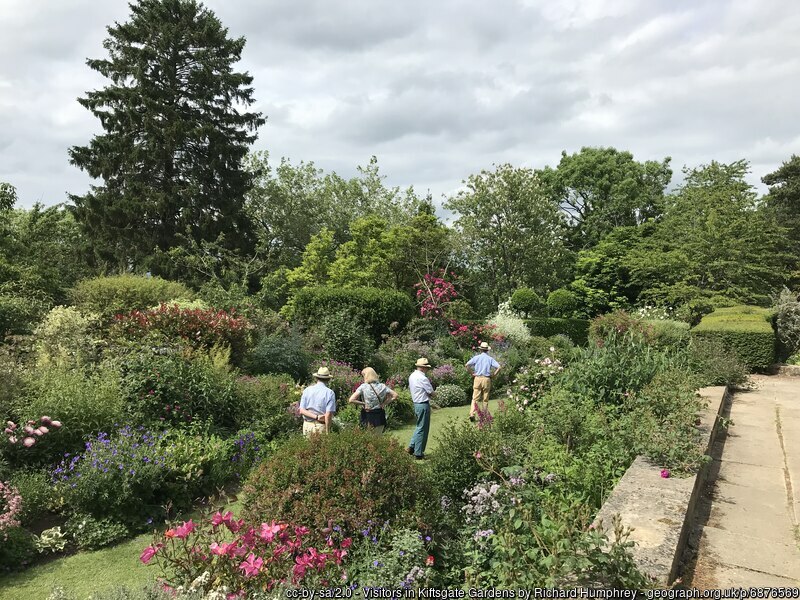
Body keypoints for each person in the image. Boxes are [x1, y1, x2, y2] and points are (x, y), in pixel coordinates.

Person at [348, 367, 398, 434]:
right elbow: (395, 395)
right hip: (380, 415)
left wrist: (364, 404)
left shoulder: (363, 387)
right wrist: (384, 403)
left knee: (368, 439)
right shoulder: (382, 386)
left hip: (367, 415)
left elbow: (351, 400)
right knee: (378, 438)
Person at [465, 341, 501, 421]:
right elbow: (499, 367)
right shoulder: (490, 359)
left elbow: (466, 365)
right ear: (487, 350)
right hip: (486, 379)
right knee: (485, 398)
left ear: (481, 349)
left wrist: (472, 373)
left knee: (475, 398)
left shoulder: (476, 357)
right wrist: (494, 375)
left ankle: (472, 413)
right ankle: (484, 415)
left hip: (477, 378)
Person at [407, 357, 435, 460]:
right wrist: (435, 395)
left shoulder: (412, 376)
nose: (427, 369)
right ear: (423, 368)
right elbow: (431, 392)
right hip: (423, 403)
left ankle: (411, 447)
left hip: (416, 403)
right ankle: (418, 453)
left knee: (419, 426)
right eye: (427, 367)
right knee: (423, 429)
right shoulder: (422, 378)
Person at [298, 366, 337, 435]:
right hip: (320, 426)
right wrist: (328, 431)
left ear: (316, 378)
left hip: (307, 425)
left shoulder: (307, 390)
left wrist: (315, 417)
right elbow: (328, 415)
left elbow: (302, 410)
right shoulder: (329, 393)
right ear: (328, 379)